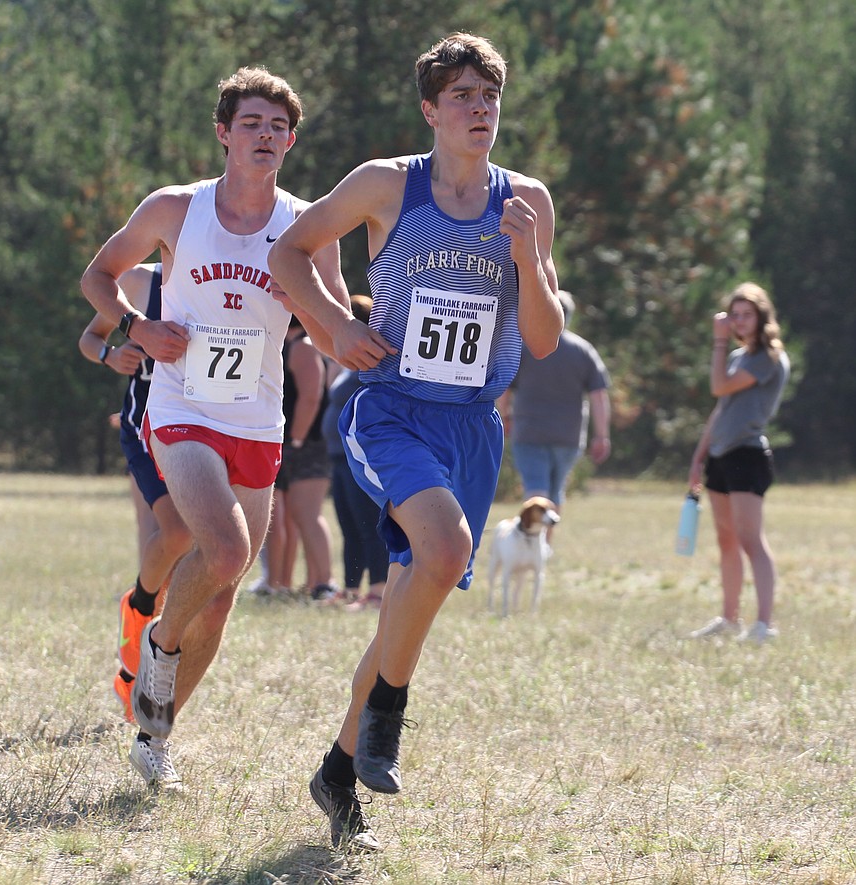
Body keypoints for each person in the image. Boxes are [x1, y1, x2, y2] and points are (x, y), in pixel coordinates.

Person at [268, 32, 563, 851]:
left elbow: (541, 339)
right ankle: (389, 714)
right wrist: (331, 328)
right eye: (463, 95)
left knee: (404, 609)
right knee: (443, 548)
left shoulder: (527, 200)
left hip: (471, 427)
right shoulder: (387, 184)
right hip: (391, 408)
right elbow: (290, 250)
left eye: (490, 96)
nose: (480, 109)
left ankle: (336, 768)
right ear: (431, 109)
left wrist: (528, 257)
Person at [81, 67, 348, 788]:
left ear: (291, 140)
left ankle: (154, 732)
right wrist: (138, 325)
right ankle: (159, 648)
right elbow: (97, 277)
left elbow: (331, 325)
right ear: (224, 132)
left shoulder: (307, 223)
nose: (267, 136)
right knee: (226, 549)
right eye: (253, 124)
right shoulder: (176, 208)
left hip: (258, 419)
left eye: (279, 127)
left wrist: (345, 332)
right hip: (183, 408)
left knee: (224, 593)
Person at [78, 261, 193, 782]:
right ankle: (139, 609)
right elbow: (90, 336)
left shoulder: (219, 275)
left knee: (183, 557)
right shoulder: (137, 281)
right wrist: (111, 354)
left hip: (200, 427)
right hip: (144, 428)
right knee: (174, 534)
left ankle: (142, 635)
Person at [687, 282, 789, 643]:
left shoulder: (768, 357)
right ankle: (730, 619)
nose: (740, 321)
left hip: (747, 454)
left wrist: (717, 341)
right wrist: (699, 456)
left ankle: (764, 624)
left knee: (750, 539)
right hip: (720, 455)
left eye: (747, 315)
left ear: (762, 317)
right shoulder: (736, 357)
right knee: (726, 539)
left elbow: (718, 387)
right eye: (735, 315)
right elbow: (721, 409)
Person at [498, 288, 611, 531]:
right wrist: (602, 435)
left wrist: (504, 416)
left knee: (535, 486)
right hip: (568, 435)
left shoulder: (525, 347)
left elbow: (504, 386)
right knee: (556, 490)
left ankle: (532, 542)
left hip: (528, 431)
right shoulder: (583, 350)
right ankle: (544, 548)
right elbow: (599, 396)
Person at [321, 294, 389, 610]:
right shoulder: (347, 361)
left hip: (361, 453)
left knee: (368, 523)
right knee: (349, 525)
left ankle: (378, 591)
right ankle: (350, 589)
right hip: (339, 455)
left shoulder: (371, 357)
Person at [267, 313, 338, 601]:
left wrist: (295, 439)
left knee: (308, 514)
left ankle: (325, 583)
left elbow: (311, 396)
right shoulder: (293, 345)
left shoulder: (303, 347)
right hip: (299, 443)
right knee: (300, 513)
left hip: (307, 444)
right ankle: (313, 583)